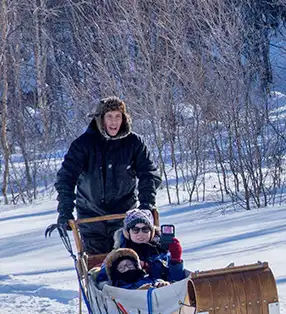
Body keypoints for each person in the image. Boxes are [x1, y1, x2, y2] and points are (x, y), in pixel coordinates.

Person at [45, 96, 161, 254]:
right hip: (91, 218)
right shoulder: (83, 145)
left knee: (129, 264)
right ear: (101, 119)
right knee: (96, 269)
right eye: (109, 117)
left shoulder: (134, 143)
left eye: (118, 116)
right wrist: (65, 211)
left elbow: (149, 175)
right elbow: (66, 179)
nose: (114, 122)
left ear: (124, 119)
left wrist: (146, 206)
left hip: (125, 217)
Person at [107, 208, 186, 283]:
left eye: (145, 229)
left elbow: (176, 281)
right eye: (135, 230)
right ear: (128, 232)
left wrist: (176, 260)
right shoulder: (119, 255)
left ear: (151, 232)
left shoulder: (161, 252)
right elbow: (108, 278)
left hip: (163, 293)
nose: (141, 234)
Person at [99, 248, 169, 290]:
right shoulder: (117, 288)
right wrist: (138, 292)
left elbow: (156, 281)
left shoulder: (147, 278)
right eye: (121, 267)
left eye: (129, 264)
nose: (127, 268)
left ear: (136, 266)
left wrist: (161, 284)